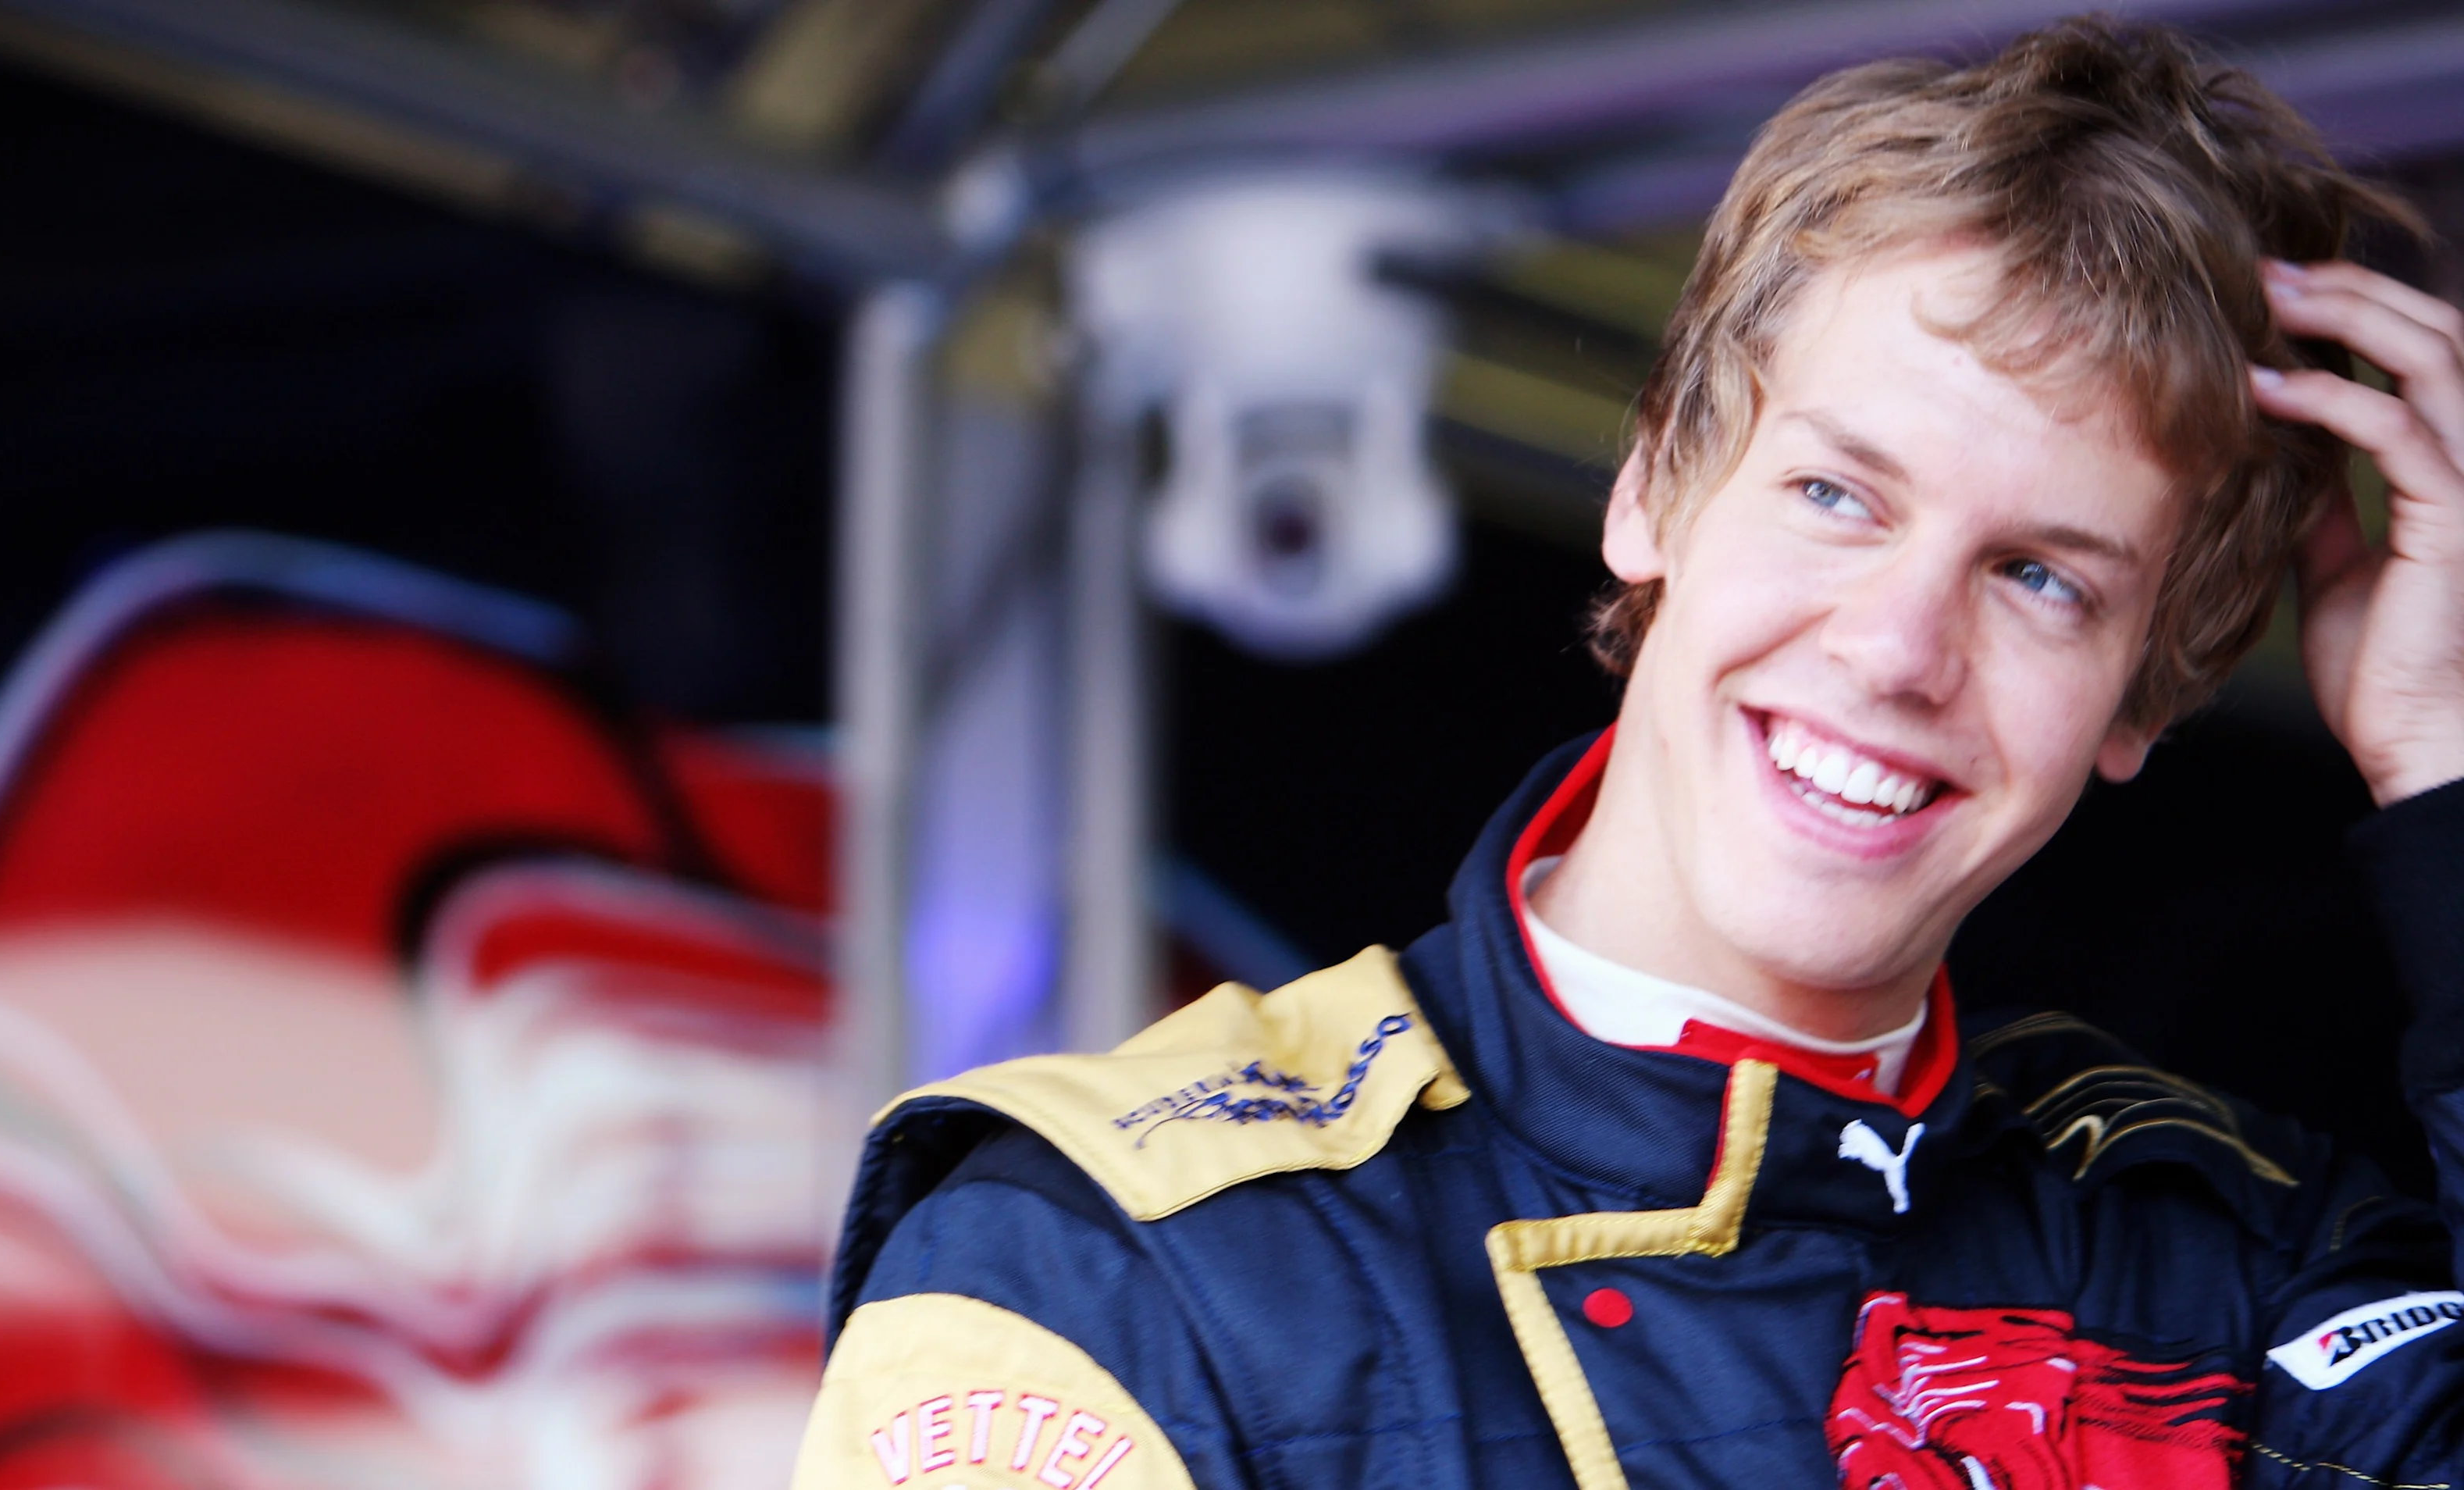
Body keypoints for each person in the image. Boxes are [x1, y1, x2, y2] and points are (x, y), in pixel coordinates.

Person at [792, 19, 2464, 1488]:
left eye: (2037, 578)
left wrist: (2451, 773)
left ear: (2145, 699)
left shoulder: (2240, 1267)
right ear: (1652, 487)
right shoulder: (1120, 1261)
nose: (1893, 650)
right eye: (1834, 495)